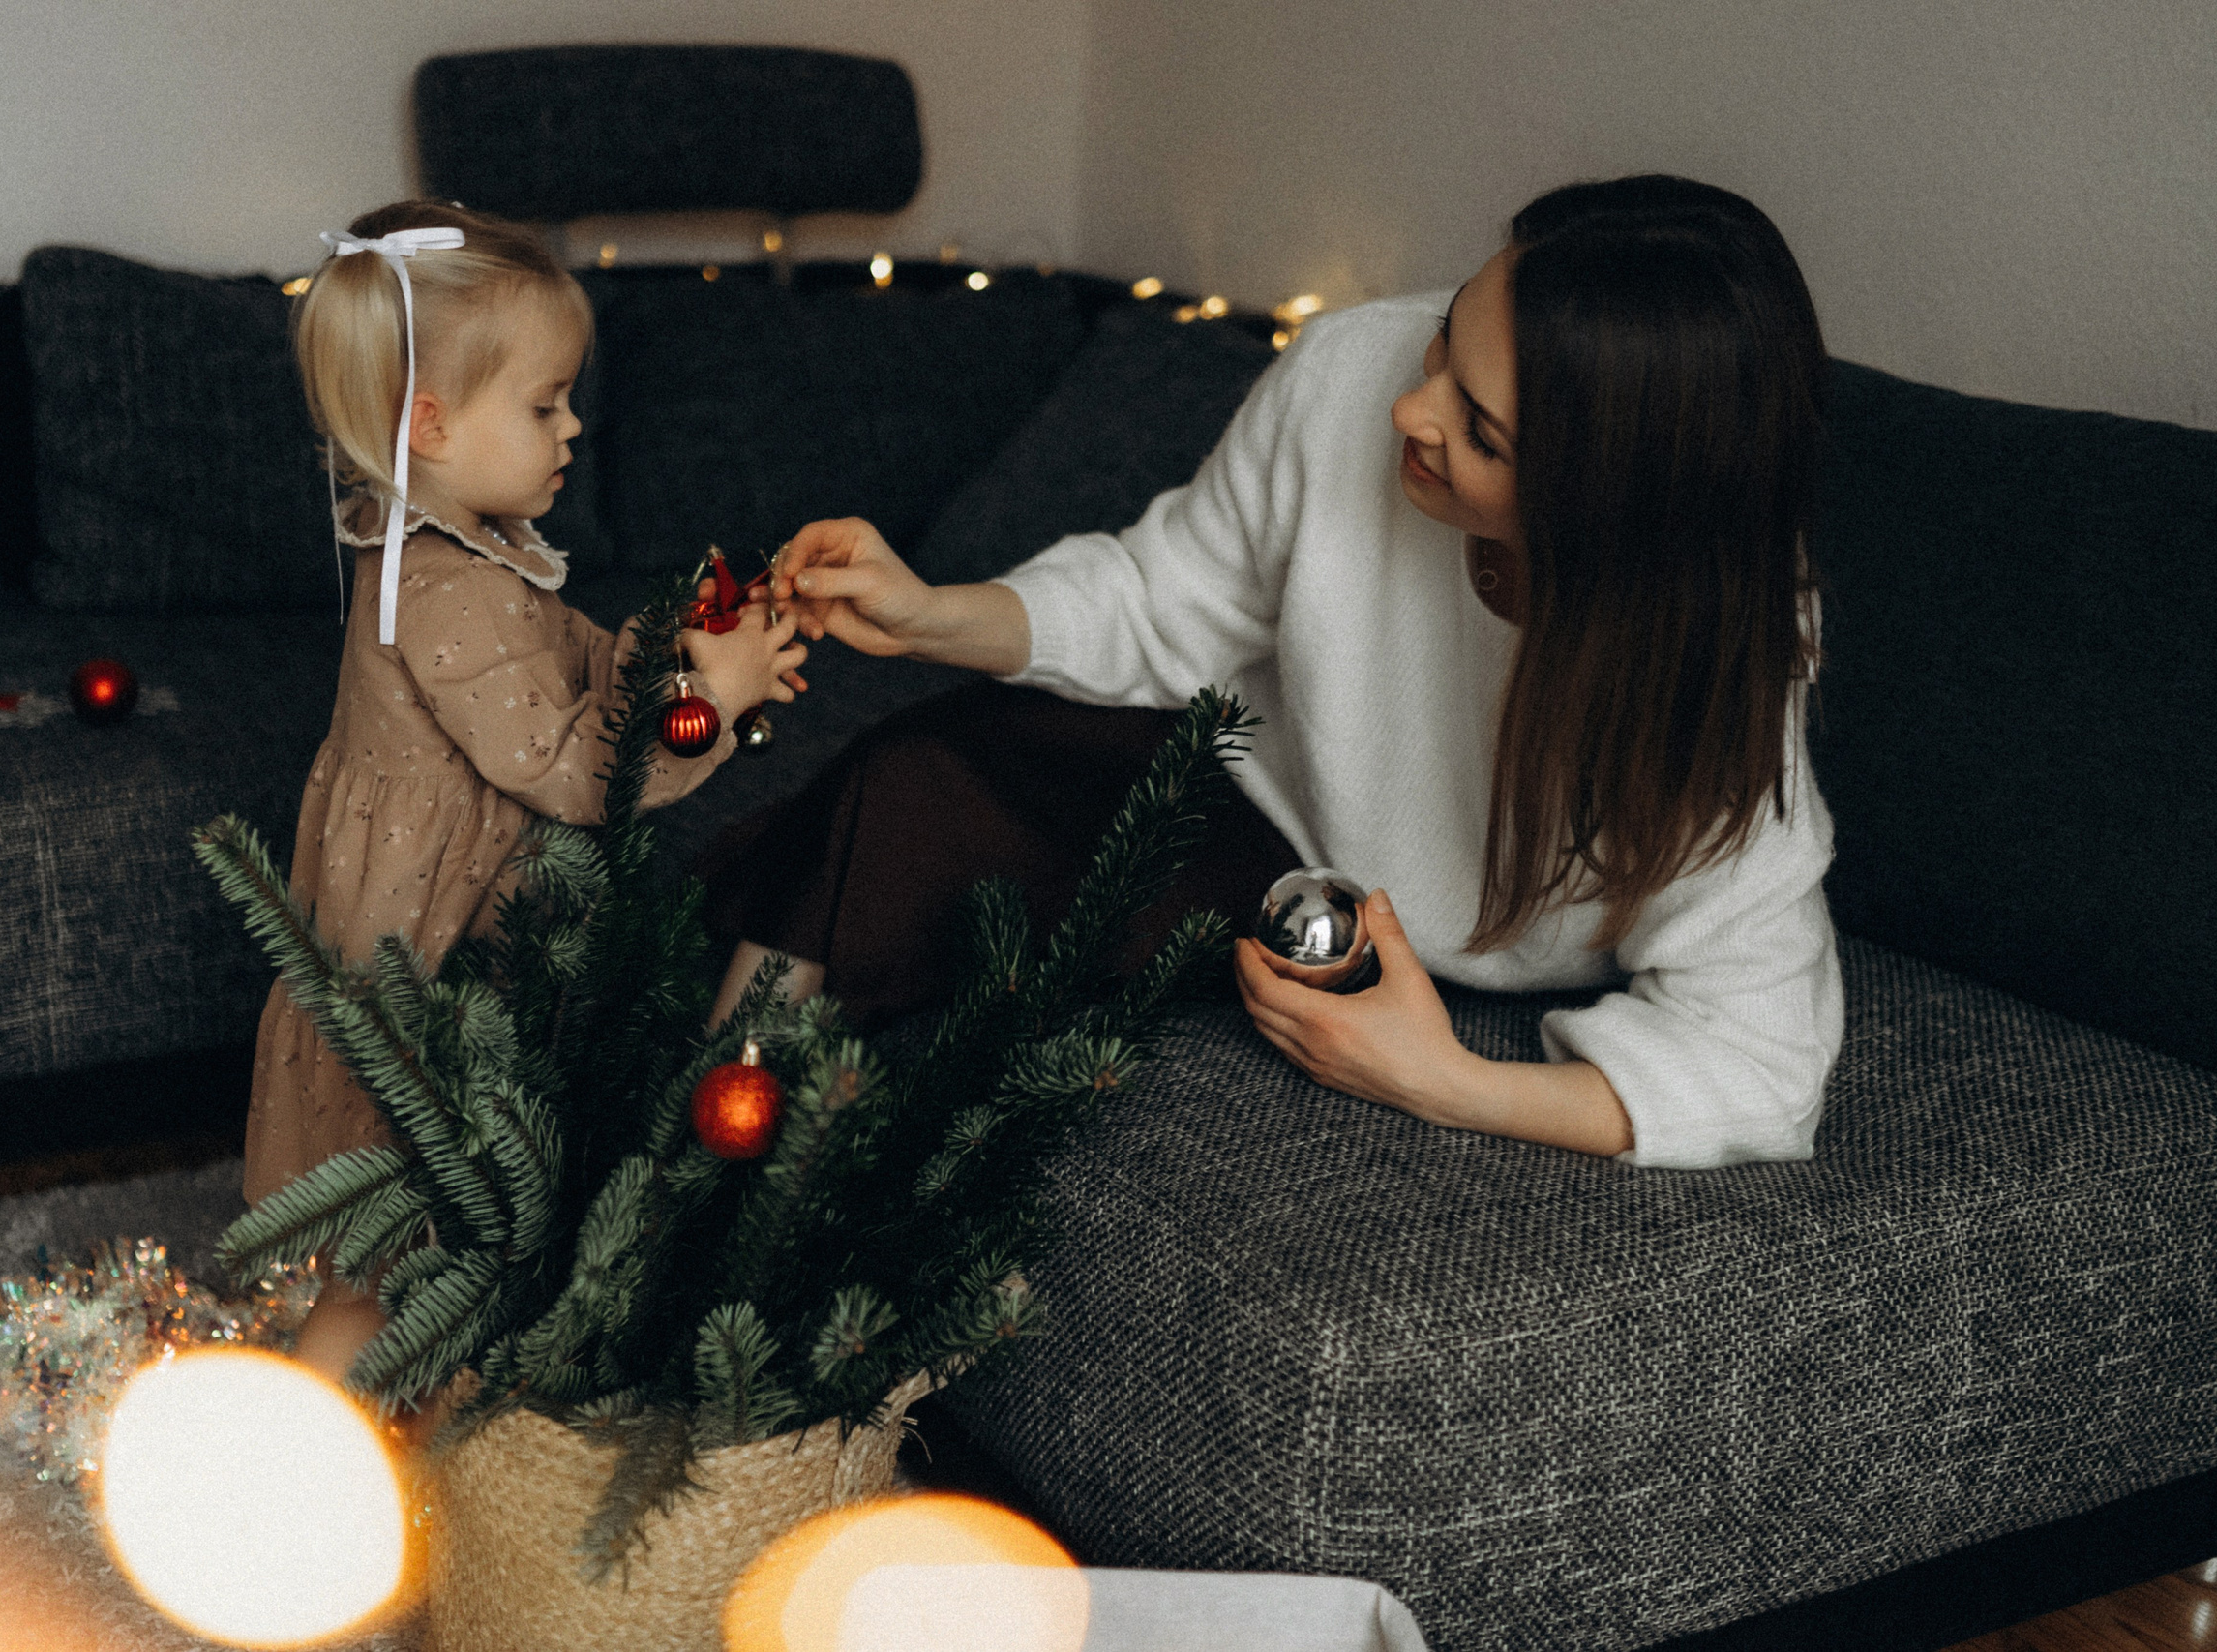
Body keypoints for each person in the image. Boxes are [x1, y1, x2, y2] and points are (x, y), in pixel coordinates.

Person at [707, 174, 1841, 1171]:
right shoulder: (1353, 365)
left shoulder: (1716, 673)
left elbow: (1760, 1062)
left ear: (1608, 506)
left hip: (1407, 945)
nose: (1410, 407)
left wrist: (1442, 1081)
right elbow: (1168, 601)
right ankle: (695, 1142)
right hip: (1261, 802)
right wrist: (928, 616)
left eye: (1482, 433)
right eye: (1447, 338)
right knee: (909, 782)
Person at [256, 201, 807, 1392]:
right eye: (546, 404)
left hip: (459, 920)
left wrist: (696, 657)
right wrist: (704, 701)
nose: (573, 430)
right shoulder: (446, 586)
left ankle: (431, 1433)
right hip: (427, 956)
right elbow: (572, 770)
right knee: (391, 1246)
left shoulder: (470, 544)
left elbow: (582, 663)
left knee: (461, 1238)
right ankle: (303, 1464)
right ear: (431, 424)